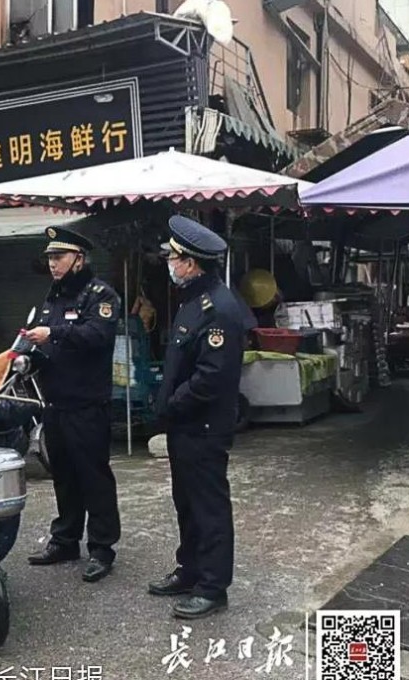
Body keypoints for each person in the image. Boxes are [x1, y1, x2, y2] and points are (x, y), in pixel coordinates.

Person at [148, 215, 247, 620]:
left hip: (203, 426)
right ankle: (190, 571)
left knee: (208, 507)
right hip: (185, 427)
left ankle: (212, 587)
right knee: (186, 503)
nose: (169, 264)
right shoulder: (193, 301)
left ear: (190, 262)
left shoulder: (218, 308)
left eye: (173, 258)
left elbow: (210, 378)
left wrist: (172, 405)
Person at [24, 227, 122, 583]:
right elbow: (47, 341)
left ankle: (101, 548)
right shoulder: (54, 296)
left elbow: (97, 336)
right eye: (49, 258)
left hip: (87, 404)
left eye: (59, 257)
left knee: (93, 476)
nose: (52, 264)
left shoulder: (101, 295)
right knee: (62, 476)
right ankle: (65, 539)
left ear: (79, 258)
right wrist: (29, 358)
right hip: (56, 403)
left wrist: (54, 334)